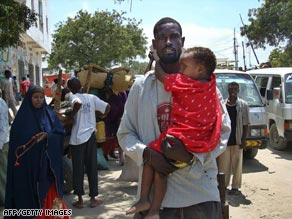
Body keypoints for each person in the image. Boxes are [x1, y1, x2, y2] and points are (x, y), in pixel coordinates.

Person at [117, 17, 231, 219]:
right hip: (154, 202)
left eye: (174, 37)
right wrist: (148, 155)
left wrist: (191, 157)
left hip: (200, 196)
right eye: (162, 37)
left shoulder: (204, 86)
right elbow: (125, 134)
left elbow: (222, 131)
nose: (168, 42)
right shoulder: (141, 87)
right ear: (154, 45)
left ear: (182, 41)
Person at [5, 85, 70, 218]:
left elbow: (60, 132)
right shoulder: (20, 121)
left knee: (52, 194)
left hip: (47, 167)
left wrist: (48, 136)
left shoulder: (50, 115)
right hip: (27, 168)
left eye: (41, 97)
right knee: (28, 197)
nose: (39, 100)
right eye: (35, 97)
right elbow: (16, 144)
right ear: (29, 98)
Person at [66, 78, 110, 209]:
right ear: (80, 86)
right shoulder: (91, 97)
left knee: (78, 169)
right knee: (92, 168)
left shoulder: (71, 96)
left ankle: (79, 200)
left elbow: (78, 103)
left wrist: (71, 115)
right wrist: (102, 116)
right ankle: (93, 199)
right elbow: (107, 106)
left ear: (70, 88)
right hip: (90, 136)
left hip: (77, 139)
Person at [217, 82, 249, 196]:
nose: (233, 90)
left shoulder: (243, 105)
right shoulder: (223, 104)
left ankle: (235, 187)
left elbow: (246, 124)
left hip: (237, 140)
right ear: (228, 90)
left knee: (237, 165)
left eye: (235, 88)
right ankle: (223, 186)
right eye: (231, 88)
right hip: (225, 141)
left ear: (238, 90)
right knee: (223, 166)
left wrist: (244, 139)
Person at [0, 89, 9, 206]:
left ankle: (5, 201)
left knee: (2, 176)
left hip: (1, 144)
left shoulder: (1, 103)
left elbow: (3, 127)